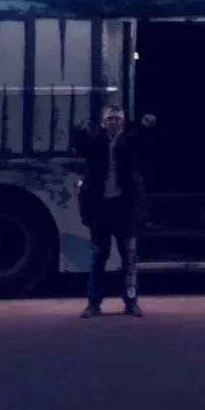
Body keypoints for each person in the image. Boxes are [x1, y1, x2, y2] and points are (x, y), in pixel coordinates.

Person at [71, 105, 157, 318]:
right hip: (101, 209)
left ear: (123, 123)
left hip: (124, 208)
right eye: (110, 119)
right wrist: (79, 130)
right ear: (103, 123)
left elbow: (141, 136)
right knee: (99, 256)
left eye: (117, 119)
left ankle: (131, 302)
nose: (114, 122)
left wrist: (146, 125)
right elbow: (81, 144)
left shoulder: (128, 142)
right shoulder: (95, 143)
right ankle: (93, 303)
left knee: (129, 258)